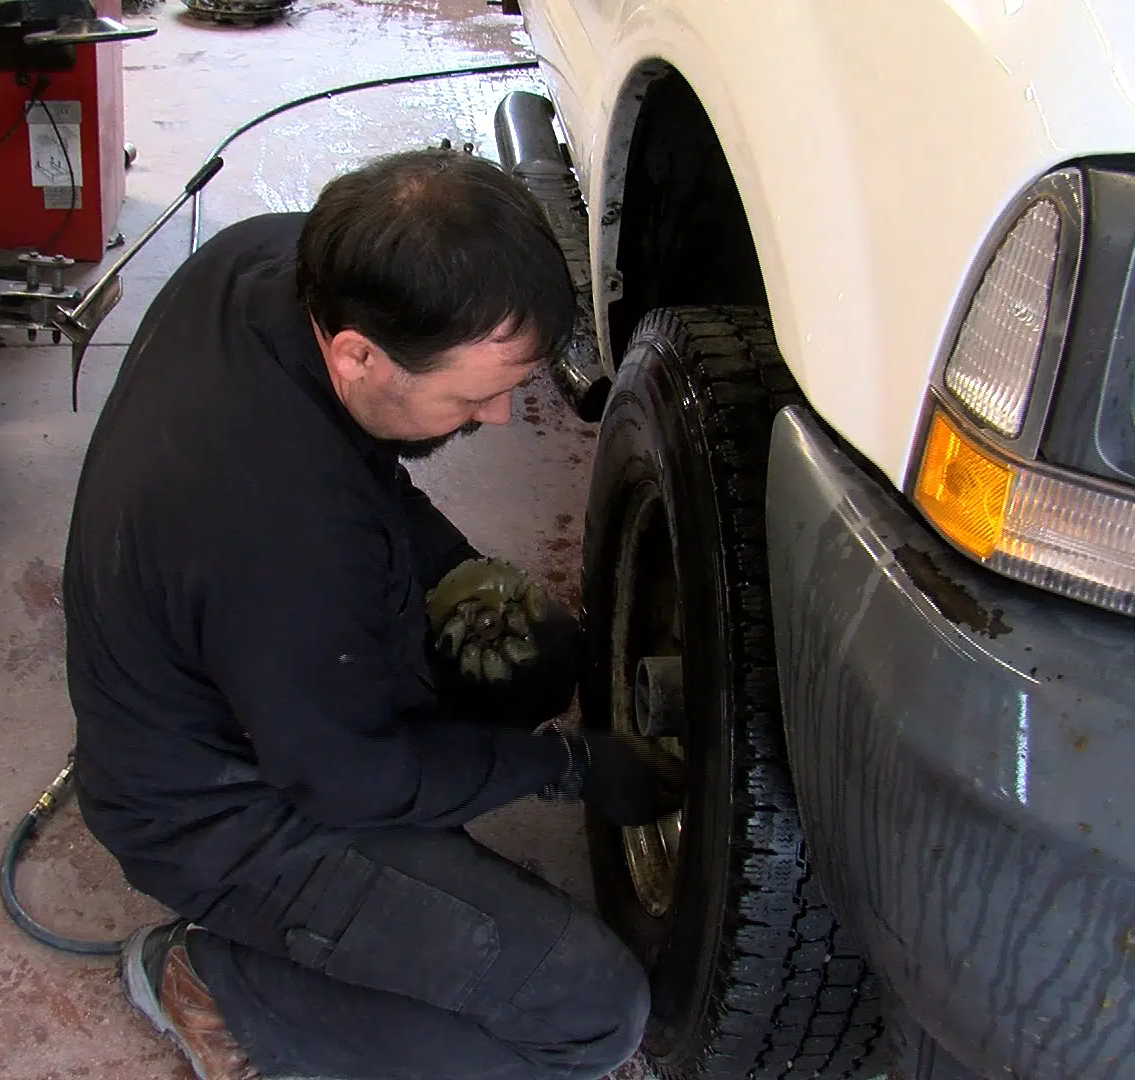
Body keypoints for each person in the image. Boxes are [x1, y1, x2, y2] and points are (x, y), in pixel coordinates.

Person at [61, 148, 684, 1080]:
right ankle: (216, 979)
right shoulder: (279, 530)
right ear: (359, 354)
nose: (505, 416)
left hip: (266, 667)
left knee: (536, 653)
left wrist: (465, 581)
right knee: (590, 1014)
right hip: (222, 808)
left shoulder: (274, 262)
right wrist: (562, 766)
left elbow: (365, 477)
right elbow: (347, 780)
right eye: (475, 394)